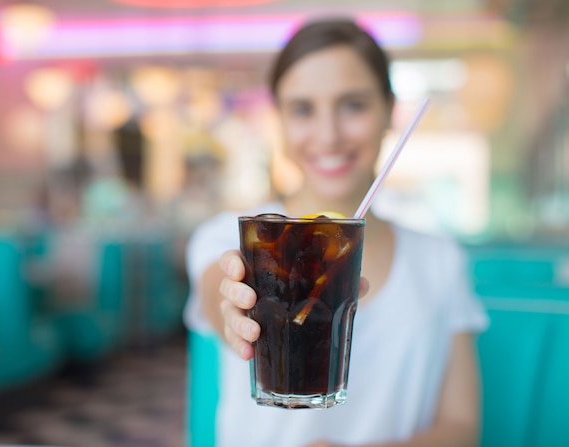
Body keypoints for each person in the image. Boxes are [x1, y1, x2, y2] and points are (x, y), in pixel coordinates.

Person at [184, 17, 488, 447]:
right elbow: (220, 295)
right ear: (280, 121)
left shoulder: (440, 259)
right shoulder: (232, 239)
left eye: (353, 105)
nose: (328, 135)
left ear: (389, 110)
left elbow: (461, 428)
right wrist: (235, 308)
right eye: (303, 109)